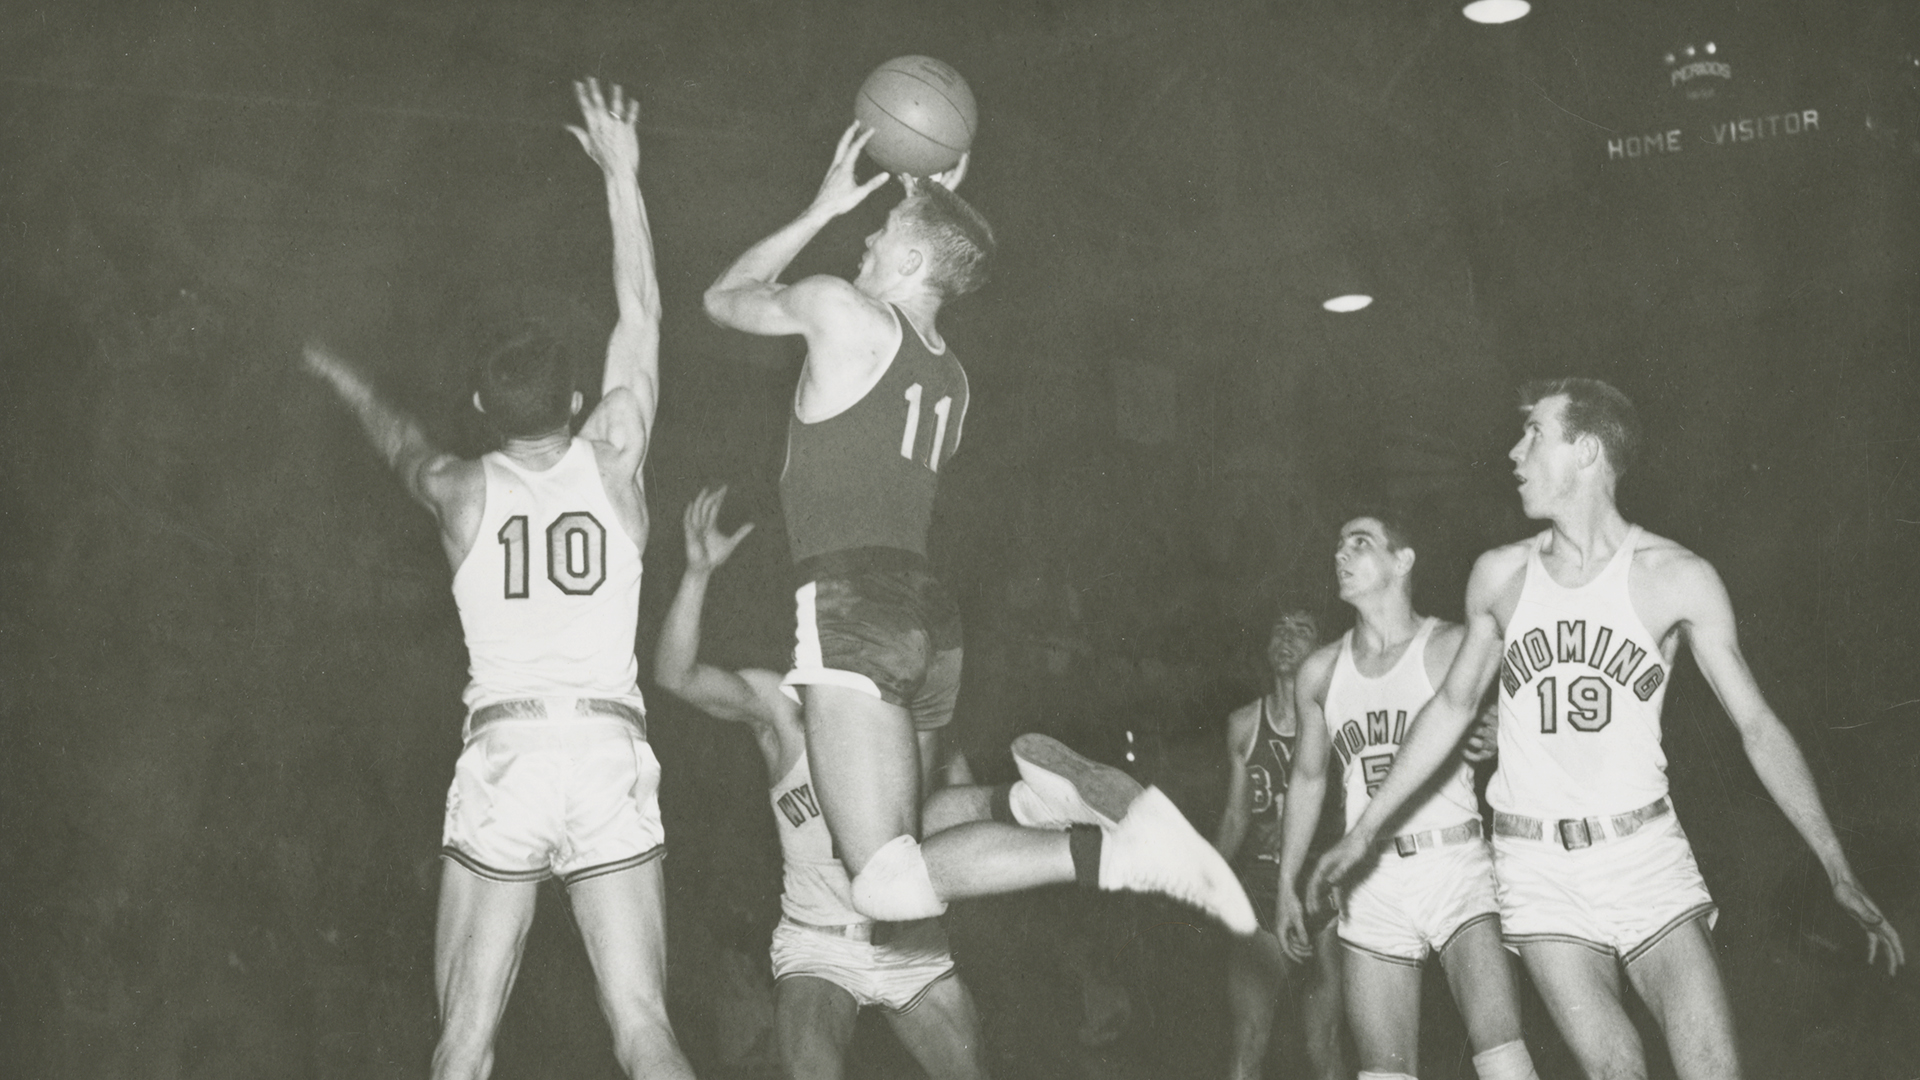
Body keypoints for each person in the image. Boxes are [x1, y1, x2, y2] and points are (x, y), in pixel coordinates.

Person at [702, 124, 1252, 934]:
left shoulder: (842, 313)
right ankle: (1023, 800)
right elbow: (935, 261)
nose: (865, 237)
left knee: (883, 883)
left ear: (916, 263)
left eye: (882, 234)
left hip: (850, 600)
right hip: (928, 616)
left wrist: (821, 205)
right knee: (918, 820)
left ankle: (1117, 855)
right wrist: (931, 198)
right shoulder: (953, 382)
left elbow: (723, 297)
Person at [1308, 379, 1905, 1080]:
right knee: (1616, 1066)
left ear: (1586, 452)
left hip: (1645, 854)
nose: (1514, 451)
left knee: (1715, 1067)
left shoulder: (1676, 578)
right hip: (1539, 867)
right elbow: (1450, 707)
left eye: (1535, 434)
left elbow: (1757, 726)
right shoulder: (1499, 576)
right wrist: (1363, 831)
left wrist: (1834, 863)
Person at [303, 80, 693, 1080]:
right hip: (608, 745)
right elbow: (642, 313)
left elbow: (398, 440)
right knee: (645, 1025)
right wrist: (623, 175)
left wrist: (345, 380)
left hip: (506, 757)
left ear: (481, 405)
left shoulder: (457, 489)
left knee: (466, 1040)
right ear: (576, 398)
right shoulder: (614, 459)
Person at [653, 486, 991, 1080]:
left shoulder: (906, 706)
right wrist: (698, 574)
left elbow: (953, 822)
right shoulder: (780, 708)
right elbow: (675, 675)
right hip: (818, 945)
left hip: (908, 943)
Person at [1278, 515, 1539, 1080]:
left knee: (1504, 1061)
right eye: (1338, 545)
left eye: (1360, 542)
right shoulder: (1320, 672)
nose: (1341, 555)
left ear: (1403, 561)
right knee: (1383, 1074)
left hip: (1455, 865)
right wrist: (1286, 885)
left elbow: (1536, 707)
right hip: (1370, 879)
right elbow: (1307, 779)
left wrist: (1505, 733)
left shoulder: (1449, 645)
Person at [1214, 609, 1349, 1080]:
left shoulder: (1340, 717)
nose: (1288, 637)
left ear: (1322, 648)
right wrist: (1205, 873)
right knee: (1249, 1038)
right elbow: (1236, 815)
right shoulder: (1243, 723)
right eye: (1280, 627)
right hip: (1262, 887)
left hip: (1321, 890)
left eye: (1303, 629)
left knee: (1324, 1042)